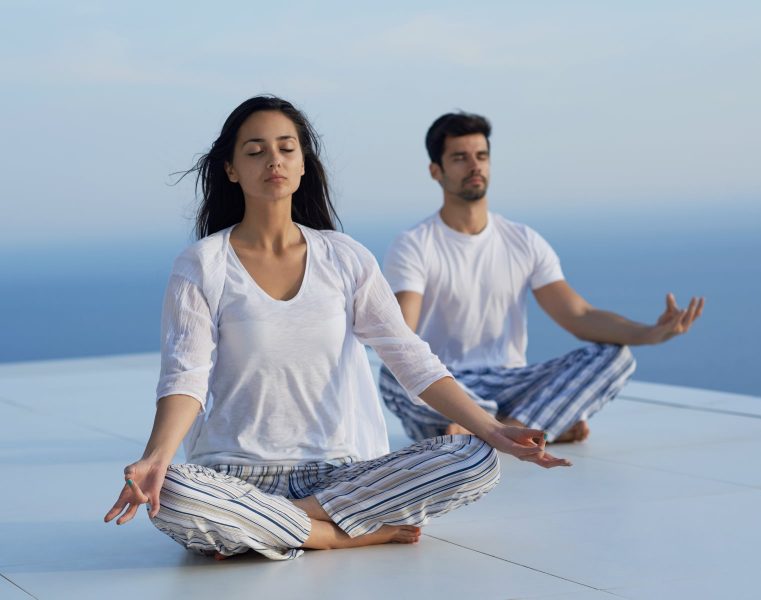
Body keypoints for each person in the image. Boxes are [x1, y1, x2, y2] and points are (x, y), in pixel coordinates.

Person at [103, 97, 571, 561]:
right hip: (234, 473)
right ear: (231, 170)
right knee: (177, 493)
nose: (273, 160)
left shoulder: (344, 257)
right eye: (255, 151)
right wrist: (156, 457)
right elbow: (186, 377)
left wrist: (491, 428)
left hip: (339, 475)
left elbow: (409, 356)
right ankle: (336, 534)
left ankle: (274, 524)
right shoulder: (202, 265)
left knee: (477, 459)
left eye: (287, 148)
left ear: (303, 163)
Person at [379, 112, 704, 444]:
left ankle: (505, 427)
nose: (474, 166)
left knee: (616, 357)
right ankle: (532, 424)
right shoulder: (414, 244)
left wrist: (651, 333)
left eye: (481, 156)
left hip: (512, 382)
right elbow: (402, 332)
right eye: (460, 158)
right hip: (447, 384)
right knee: (392, 374)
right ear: (436, 171)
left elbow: (579, 316)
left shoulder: (523, 240)